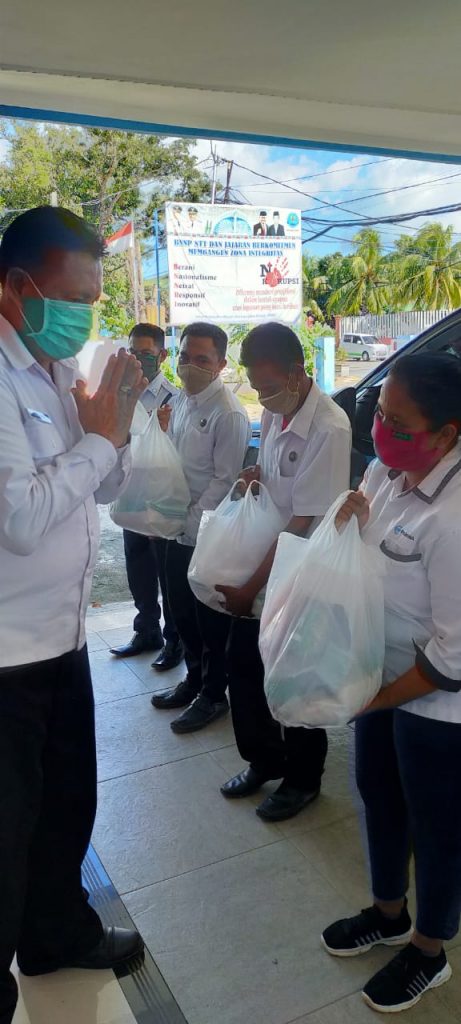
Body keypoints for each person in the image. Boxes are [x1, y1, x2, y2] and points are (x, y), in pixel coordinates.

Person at [0, 206, 146, 1024]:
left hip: (59, 640)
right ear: (18, 285)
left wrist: (113, 437)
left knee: (65, 804)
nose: (87, 314)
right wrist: (95, 443)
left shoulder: (52, 369)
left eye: (95, 298)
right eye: (76, 294)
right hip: (4, 656)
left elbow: (100, 490)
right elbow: (19, 520)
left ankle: (54, 933)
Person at [322, 353, 461, 1014]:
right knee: (377, 795)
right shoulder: (384, 472)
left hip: (435, 705)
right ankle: (387, 913)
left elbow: (453, 658)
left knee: (437, 828)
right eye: (379, 415)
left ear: (445, 433)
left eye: (399, 424)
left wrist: (376, 698)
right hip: (375, 679)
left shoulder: (455, 515)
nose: (380, 431)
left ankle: (429, 950)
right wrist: (351, 516)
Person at [217, 323, 351, 820]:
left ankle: (302, 779)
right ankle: (264, 759)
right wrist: (257, 476)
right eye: (254, 385)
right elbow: (279, 487)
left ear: (298, 373)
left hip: (303, 570)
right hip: (267, 559)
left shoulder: (329, 428)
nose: (261, 396)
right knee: (245, 666)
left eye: (268, 387)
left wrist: (250, 587)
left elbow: (303, 524)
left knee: (295, 674)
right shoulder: (277, 413)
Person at [151, 322, 251, 733]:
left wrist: (188, 522)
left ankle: (213, 695)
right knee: (180, 613)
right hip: (174, 526)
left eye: (202, 359)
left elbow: (225, 482)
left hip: (205, 533)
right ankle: (193, 680)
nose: (190, 366)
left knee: (207, 621)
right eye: (185, 357)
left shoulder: (228, 412)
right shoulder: (182, 401)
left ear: (222, 364)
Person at [110, 323, 184, 671]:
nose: (139, 360)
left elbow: (181, 452)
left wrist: (165, 429)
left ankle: (174, 641)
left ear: (163, 356)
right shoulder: (123, 393)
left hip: (160, 499)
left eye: (147, 354)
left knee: (166, 574)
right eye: (133, 353)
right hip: (129, 494)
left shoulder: (174, 398)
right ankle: (146, 630)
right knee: (138, 565)